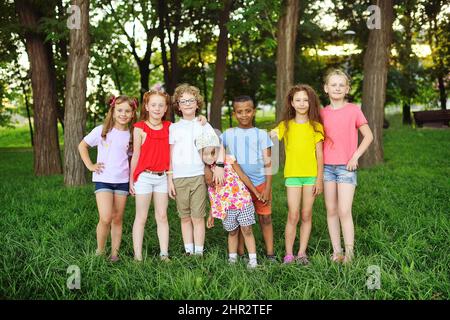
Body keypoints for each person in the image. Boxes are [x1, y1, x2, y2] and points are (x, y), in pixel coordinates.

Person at [320, 69, 373, 263]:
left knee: (344, 210)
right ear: (326, 88)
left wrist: (355, 156)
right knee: (331, 210)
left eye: (341, 85)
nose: (337, 88)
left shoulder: (353, 110)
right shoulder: (321, 113)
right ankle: (337, 252)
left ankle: (349, 254)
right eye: (333, 85)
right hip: (326, 168)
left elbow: (368, 136)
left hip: (346, 168)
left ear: (347, 89)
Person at [78, 95, 137, 262]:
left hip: (122, 181)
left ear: (133, 114)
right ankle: (100, 250)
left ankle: (114, 254)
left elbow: (133, 158)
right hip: (103, 179)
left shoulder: (132, 135)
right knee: (105, 217)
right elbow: (82, 145)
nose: (123, 114)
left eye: (127, 111)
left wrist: (133, 180)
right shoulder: (102, 130)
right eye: (120, 110)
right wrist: (90, 165)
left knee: (117, 218)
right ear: (113, 111)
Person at [168, 84, 225, 256]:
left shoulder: (203, 125)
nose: (187, 104)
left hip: (199, 175)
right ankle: (189, 251)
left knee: (197, 216)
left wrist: (219, 166)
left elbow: (218, 147)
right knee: (184, 217)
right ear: (178, 105)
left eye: (191, 100)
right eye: (183, 101)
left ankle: (199, 252)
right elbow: (170, 155)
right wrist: (169, 179)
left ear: (197, 103)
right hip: (179, 177)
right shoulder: (174, 128)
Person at [271, 84, 324, 265]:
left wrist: (319, 179)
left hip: (311, 176)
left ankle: (302, 253)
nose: (302, 103)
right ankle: (288, 254)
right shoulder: (285, 125)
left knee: (306, 214)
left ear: (311, 102)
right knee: (293, 214)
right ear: (292, 103)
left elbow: (320, 154)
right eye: (298, 100)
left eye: (305, 100)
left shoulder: (316, 127)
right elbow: (270, 137)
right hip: (293, 175)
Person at [219, 96, 275, 262]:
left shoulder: (261, 135)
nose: (244, 115)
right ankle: (242, 253)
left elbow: (268, 164)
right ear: (235, 113)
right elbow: (215, 153)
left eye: (248, 111)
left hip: (260, 184)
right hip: (237, 188)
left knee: (265, 218)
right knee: (241, 221)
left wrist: (267, 188)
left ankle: (270, 253)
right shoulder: (227, 135)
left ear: (254, 111)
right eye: (240, 112)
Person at [197, 132, 261, 269]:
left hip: (242, 201)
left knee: (247, 229)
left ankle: (253, 261)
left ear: (218, 151)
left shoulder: (229, 160)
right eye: (205, 154)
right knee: (232, 232)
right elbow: (212, 194)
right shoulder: (207, 172)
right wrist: (211, 213)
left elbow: (242, 176)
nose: (209, 157)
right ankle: (232, 260)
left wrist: (255, 191)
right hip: (226, 208)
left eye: (212, 153)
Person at [129, 89, 172, 262]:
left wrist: (202, 119)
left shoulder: (170, 127)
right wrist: (131, 179)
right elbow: (136, 155)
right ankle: (138, 257)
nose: (157, 108)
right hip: (144, 177)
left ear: (165, 108)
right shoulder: (139, 128)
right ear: (146, 106)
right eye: (153, 105)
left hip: (162, 177)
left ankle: (164, 254)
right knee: (142, 217)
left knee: (162, 216)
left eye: (161, 105)